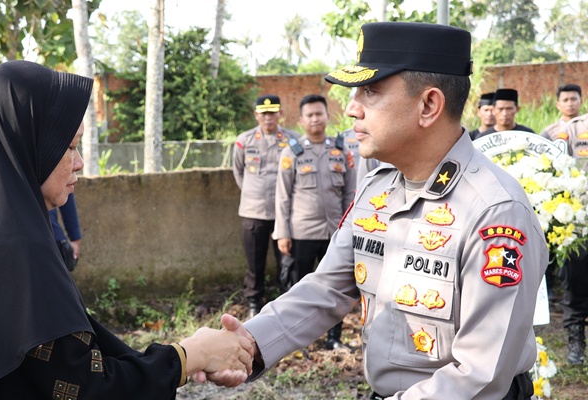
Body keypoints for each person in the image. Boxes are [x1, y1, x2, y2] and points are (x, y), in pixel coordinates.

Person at [208, 22, 547, 399]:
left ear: (429, 105)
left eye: (370, 91)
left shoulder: (494, 211)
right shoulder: (377, 189)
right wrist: (251, 343)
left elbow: (479, 374)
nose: (351, 109)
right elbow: (326, 288)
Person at [0, 60, 254, 399]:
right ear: (29, 148)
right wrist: (189, 356)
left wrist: (184, 353)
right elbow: (86, 386)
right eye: (69, 147)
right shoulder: (18, 252)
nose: (79, 161)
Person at [274, 94, 355, 349]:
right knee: (300, 288)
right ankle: (301, 338)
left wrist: (348, 231)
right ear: (301, 120)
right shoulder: (292, 152)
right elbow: (282, 196)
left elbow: (350, 195)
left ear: (327, 116)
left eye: (319, 113)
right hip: (303, 233)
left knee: (336, 289)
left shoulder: (341, 151)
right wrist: (283, 233)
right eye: (309, 115)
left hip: (335, 233)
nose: (315, 119)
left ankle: (334, 338)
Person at [233, 94, 301, 317]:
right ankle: (254, 302)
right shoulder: (244, 141)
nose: (268, 117)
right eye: (264, 113)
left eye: (272, 113)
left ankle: (286, 304)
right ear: (256, 115)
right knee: (255, 261)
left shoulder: (293, 140)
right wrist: (255, 194)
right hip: (255, 212)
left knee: (287, 262)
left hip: (286, 213)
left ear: (280, 114)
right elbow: (239, 173)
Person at [557, 114, 588, 364]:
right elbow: (559, 167)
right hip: (580, 221)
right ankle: (576, 340)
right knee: (575, 281)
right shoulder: (574, 128)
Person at [50, 193, 82, 271]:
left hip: (52, 237)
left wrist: (75, 236)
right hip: (51, 237)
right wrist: (75, 236)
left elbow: (66, 189)